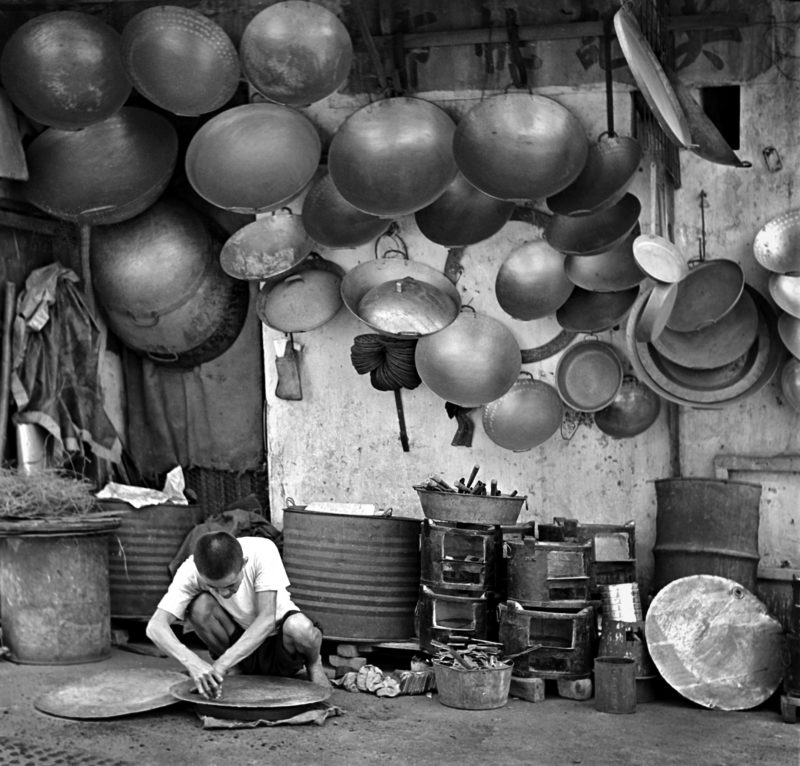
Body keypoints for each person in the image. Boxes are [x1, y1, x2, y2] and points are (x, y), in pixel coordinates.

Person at [146, 530, 330, 699]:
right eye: (214, 588)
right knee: (199, 607)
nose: (224, 594)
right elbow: (155, 627)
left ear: (243, 563)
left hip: (281, 647)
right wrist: (193, 662)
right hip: (237, 649)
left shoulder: (262, 550)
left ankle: (314, 664)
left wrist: (220, 665)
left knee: (300, 627)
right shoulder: (190, 570)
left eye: (230, 585)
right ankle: (237, 670)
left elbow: (266, 620)